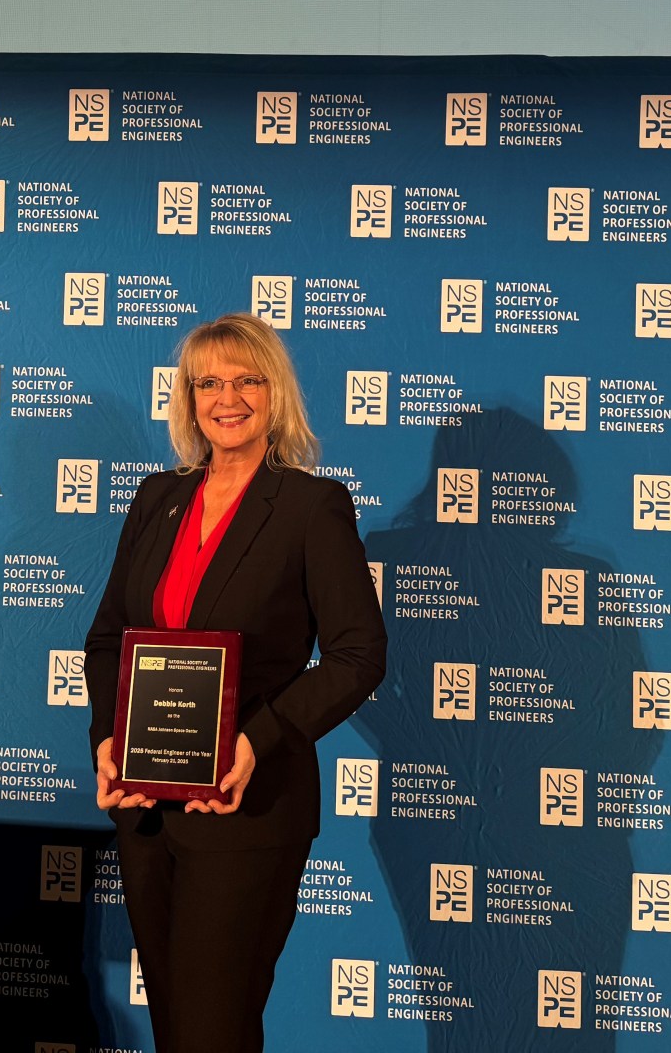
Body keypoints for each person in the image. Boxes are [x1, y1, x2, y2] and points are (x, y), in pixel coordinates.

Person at [84, 312, 387, 1053]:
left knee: (211, 1032)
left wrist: (257, 740)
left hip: (249, 808)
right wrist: (109, 739)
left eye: (247, 379)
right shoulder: (158, 498)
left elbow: (358, 653)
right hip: (146, 808)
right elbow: (106, 641)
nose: (228, 397)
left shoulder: (313, 506)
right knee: (175, 1032)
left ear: (274, 392)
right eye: (208, 382)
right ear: (187, 399)